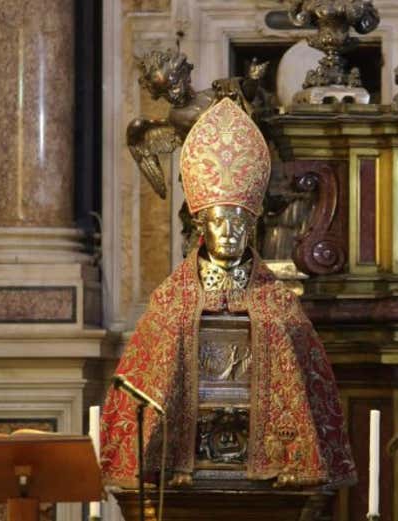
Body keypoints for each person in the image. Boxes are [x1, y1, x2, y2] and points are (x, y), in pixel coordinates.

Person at [100, 97, 355, 489]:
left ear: (251, 227)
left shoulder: (278, 303)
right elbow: (143, 380)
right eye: (220, 224)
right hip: (184, 483)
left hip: (263, 484)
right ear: (202, 226)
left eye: (239, 224)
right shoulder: (172, 302)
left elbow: (306, 378)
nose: (230, 234)